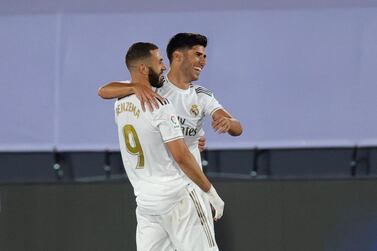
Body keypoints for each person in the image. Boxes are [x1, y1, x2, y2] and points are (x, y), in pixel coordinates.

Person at [99, 33, 243, 248]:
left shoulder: (201, 96)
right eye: (198, 55)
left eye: (205, 56)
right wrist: (134, 87)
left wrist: (228, 123)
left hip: (162, 191)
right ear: (178, 57)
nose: (203, 61)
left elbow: (237, 127)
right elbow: (104, 90)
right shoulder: (153, 88)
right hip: (181, 189)